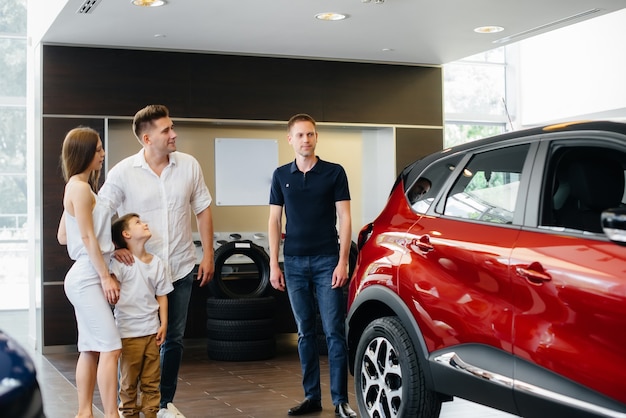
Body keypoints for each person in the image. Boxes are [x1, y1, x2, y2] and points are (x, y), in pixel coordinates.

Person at [99, 104, 215, 418]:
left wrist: (208, 253)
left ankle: (162, 404)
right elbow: (101, 212)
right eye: (166, 130)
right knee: (134, 340)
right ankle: (129, 405)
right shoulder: (122, 172)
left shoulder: (189, 165)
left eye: (172, 127)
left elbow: (202, 209)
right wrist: (111, 248)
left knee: (172, 338)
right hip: (136, 274)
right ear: (147, 139)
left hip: (179, 267)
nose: (173, 134)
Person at [268, 113, 357, 417]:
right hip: (292, 262)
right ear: (289, 139)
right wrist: (273, 263)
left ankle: (340, 401)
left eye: (311, 134)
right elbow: (274, 220)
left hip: (326, 261)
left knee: (334, 332)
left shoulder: (334, 173)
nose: (306, 140)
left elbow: (345, 218)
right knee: (304, 333)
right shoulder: (281, 175)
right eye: (300, 135)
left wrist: (343, 261)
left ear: (316, 137)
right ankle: (311, 398)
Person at [56, 126, 122, 418]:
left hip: (84, 272)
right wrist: (106, 274)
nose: (103, 154)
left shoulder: (75, 186)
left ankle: (85, 412)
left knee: (90, 347)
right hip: (87, 276)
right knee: (111, 346)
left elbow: (63, 235)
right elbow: (85, 238)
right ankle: (112, 414)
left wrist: (108, 248)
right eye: (97, 150)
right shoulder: (81, 188)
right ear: (83, 153)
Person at [110, 213, 173, 418]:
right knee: (128, 383)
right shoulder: (119, 263)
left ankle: (151, 414)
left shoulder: (157, 263)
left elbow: (162, 295)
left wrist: (163, 324)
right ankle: (128, 414)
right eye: (138, 223)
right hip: (128, 334)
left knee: (152, 382)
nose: (145, 223)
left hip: (152, 333)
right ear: (126, 234)